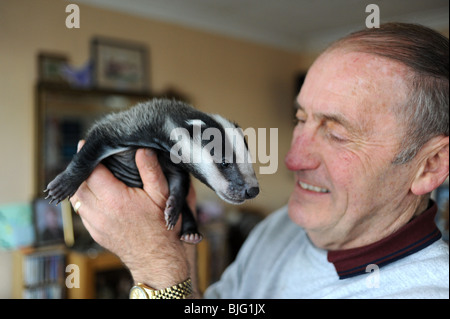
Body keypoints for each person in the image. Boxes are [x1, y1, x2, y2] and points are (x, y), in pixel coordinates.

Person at [69, 23, 449, 299]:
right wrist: (177, 261)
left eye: (336, 133)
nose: (292, 159)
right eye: (300, 119)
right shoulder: (282, 226)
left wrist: (156, 270)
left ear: (430, 165)